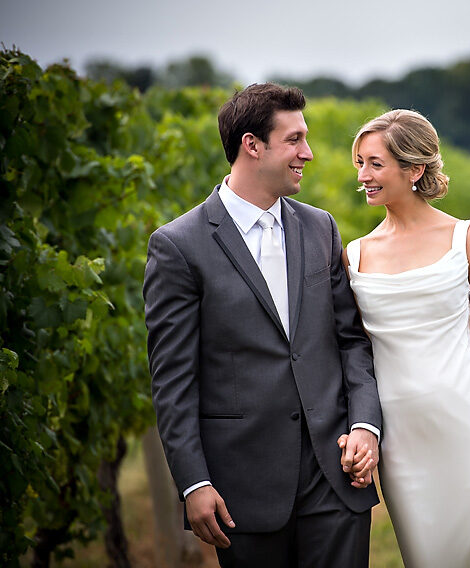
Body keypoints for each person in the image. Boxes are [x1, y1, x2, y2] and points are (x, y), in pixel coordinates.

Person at [143, 83, 382, 568]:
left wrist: (365, 425)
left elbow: (351, 341)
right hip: (242, 488)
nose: (308, 154)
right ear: (252, 145)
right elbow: (173, 380)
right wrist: (193, 481)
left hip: (334, 477)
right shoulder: (178, 246)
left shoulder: (321, 227)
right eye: (294, 139)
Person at [342, 109, 470, 567]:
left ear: (414, 169)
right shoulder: (353, 257)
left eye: (375, 164)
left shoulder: (468, 239)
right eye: (359, 163)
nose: (363, 175)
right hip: (405, 447)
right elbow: (350, 355)